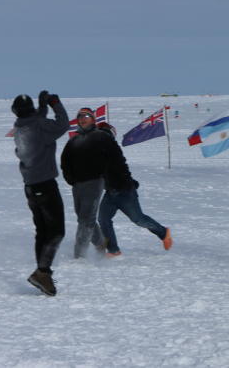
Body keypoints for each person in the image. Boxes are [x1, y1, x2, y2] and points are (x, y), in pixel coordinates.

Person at [12, 91, 69, 296]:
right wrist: (55, 103)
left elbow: (37, 121)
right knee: (56, 232)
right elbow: (63, 125)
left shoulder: (20, 127)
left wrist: (42, 106)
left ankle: (43, 274)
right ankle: (42, 272)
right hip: (45, 185)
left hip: (30, 186)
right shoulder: (40, 126)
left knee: (43, 232)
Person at [96, 129, 173, 257]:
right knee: (103, 219)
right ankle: (113, 250)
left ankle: (163, 232)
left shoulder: (113, 151)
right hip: (110, 194)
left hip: (125, 193)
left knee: (139, 220)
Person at [60, 108, 108, 258]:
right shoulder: (74, 140)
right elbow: (65, 161)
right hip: (78, 184)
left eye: (86, 116)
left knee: (86, 219)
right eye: (80, 116)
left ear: (93, 119)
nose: (83, 119)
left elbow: (111, 158)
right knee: (82, 216)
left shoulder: (100, 137)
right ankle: (101, 243)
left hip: (95, 182)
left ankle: (79, 255)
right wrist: (70, 178)